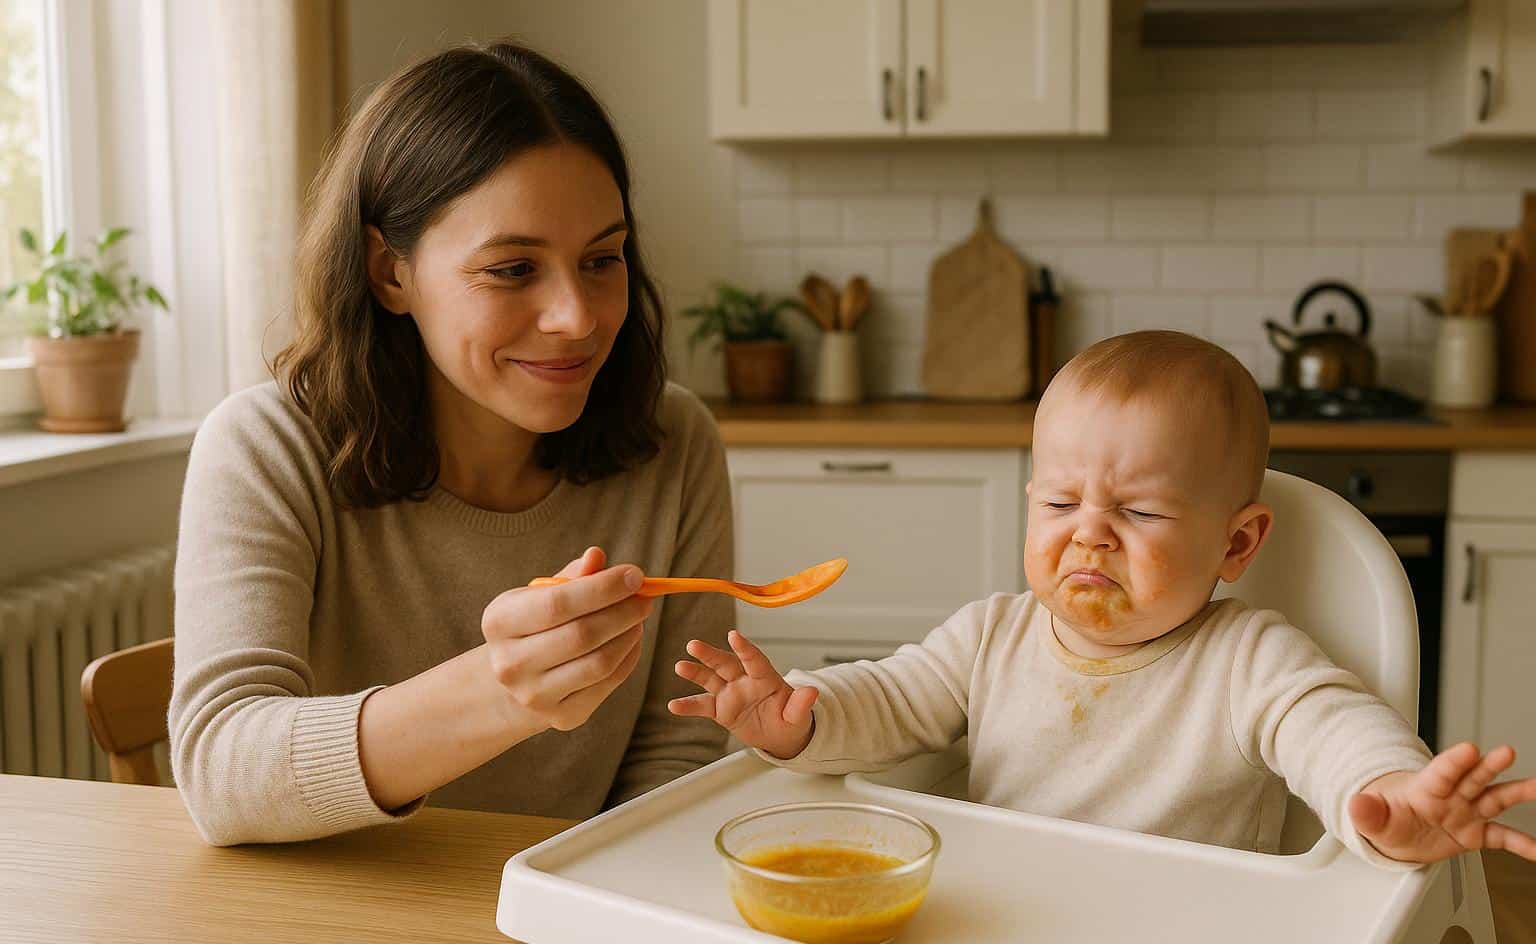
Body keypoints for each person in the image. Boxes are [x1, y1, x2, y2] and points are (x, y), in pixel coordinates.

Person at [671, 332, 1536, 867]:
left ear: (1236, 543)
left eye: (1140, 511)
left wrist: (1391, 797)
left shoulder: (1249, 660)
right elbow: (895, 699)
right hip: (1005, 920)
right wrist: (801, 718)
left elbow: (1333, 728)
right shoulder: (992, 636)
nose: (1088, 534)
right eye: (1058, 503)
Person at [171, 41, 730, 846]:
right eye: (511, 269)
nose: (577, 315)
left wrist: (588, 911)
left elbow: (677, 746)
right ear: (390, 273)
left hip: (571, 920)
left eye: (602, 259)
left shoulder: (673, 442)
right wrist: (499, 695)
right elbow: (223, 774)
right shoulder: (264, 446)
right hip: (327, 927)